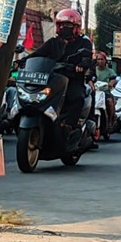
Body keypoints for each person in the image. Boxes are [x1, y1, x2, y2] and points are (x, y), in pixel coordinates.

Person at [26, 9, 95, 148]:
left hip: (73, 80)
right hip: (52, 79)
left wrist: (82, 64)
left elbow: (87, 58)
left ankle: (70, 127)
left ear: (76, 27)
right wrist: (21, 62)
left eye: (68, 26)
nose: (64, 28)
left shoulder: (83, 43)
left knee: (76, 97)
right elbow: (38, 54)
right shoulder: (52, 43)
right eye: (62, 25)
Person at [93, 51, 118, 130]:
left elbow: (114, 79)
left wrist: (111, 83)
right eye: (98, 59)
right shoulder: (94, 70)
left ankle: (110, 122)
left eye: (102, 59)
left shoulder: (110, 71)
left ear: (105, 61)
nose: (100, 61)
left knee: (110, 102)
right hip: (95, 92)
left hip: (105, 92)